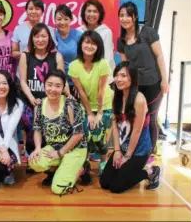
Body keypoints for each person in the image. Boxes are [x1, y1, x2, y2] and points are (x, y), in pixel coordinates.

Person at [117, 1, 169, 162]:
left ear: (135, 16)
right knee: (137, 120)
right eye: (121, 15)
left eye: (127, 15)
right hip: (136, 88)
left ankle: (150, 155)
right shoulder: (121, 41)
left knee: (151, 118)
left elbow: (159, 56)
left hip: (154, 84)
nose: (124, 18)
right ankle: (137, 152)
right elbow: (125, 67)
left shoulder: (148, 32)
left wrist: (164, 80)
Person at [100, 61, 161, 193]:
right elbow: (115, 125)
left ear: (132, 79)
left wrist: (127, 157)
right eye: (117, 75)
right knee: (105, 182)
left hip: (139, 151)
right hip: (123, 148)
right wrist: (117, 151)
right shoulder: (116, 95)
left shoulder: (139, 100)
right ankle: (127, 171)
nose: (118, 79)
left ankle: (151, 171)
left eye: (123, 76)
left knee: (116, 187)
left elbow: (137, 131)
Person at [28, 70, 87, 195]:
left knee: (58, 189)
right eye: (49, 84)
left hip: (74, 149)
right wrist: (38, 148)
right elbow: (37, 129)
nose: (53, 89)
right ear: (44, 85)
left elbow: (79, 134)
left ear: (63, 87)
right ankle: (63, 165)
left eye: (58, 86)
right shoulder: (39, 105)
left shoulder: (70, 105)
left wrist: (60, 153)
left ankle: (80, 168)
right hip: (54, 147)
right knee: (34, 161)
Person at [19, 23, 68, 170]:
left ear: (49, 38)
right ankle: (31, 154)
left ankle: (51, 160)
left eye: (44, 36)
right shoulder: (25, 56)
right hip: (30, 100)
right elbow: (22, 81)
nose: (40, 39)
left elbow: (62, 81)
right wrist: (32, 99)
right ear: (32, 38)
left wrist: (69, 96)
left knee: (52, 129)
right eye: (37, 36)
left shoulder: (56, 56)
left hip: (52, 101)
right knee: (30, 126)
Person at [68, 30, 113, 183]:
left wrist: (99, 113)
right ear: (81, 44)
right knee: (86, 136)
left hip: (103, 104)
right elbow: (80, 92)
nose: (89, 46)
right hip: (86, 105)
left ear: (98, 47)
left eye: (93, 43)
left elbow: (101, 91)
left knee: (99, 137)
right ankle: (85, 164)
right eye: (87, 42)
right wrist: (89, 114)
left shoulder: (103, 64)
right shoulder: (74, 66)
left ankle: (103, 161)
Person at [78, 0, 115, 78]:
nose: (91, 14)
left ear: (100, 14)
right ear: (84, 13)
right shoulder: (79, 31)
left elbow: (107, 59)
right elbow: (78, 57)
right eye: (89, 11)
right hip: (84, 78)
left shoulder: (106, 32)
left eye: (95, 11)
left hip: (103, 78)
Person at [54, 4, 83, 98]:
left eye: (66, 19)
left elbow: (84, 59)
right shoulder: (51, 35)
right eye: (59, 19)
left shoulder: (78, 35)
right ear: (54, 20)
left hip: (75, 82)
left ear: (71, 20)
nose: (62, 22)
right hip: (56, 83)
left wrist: (79, 82)